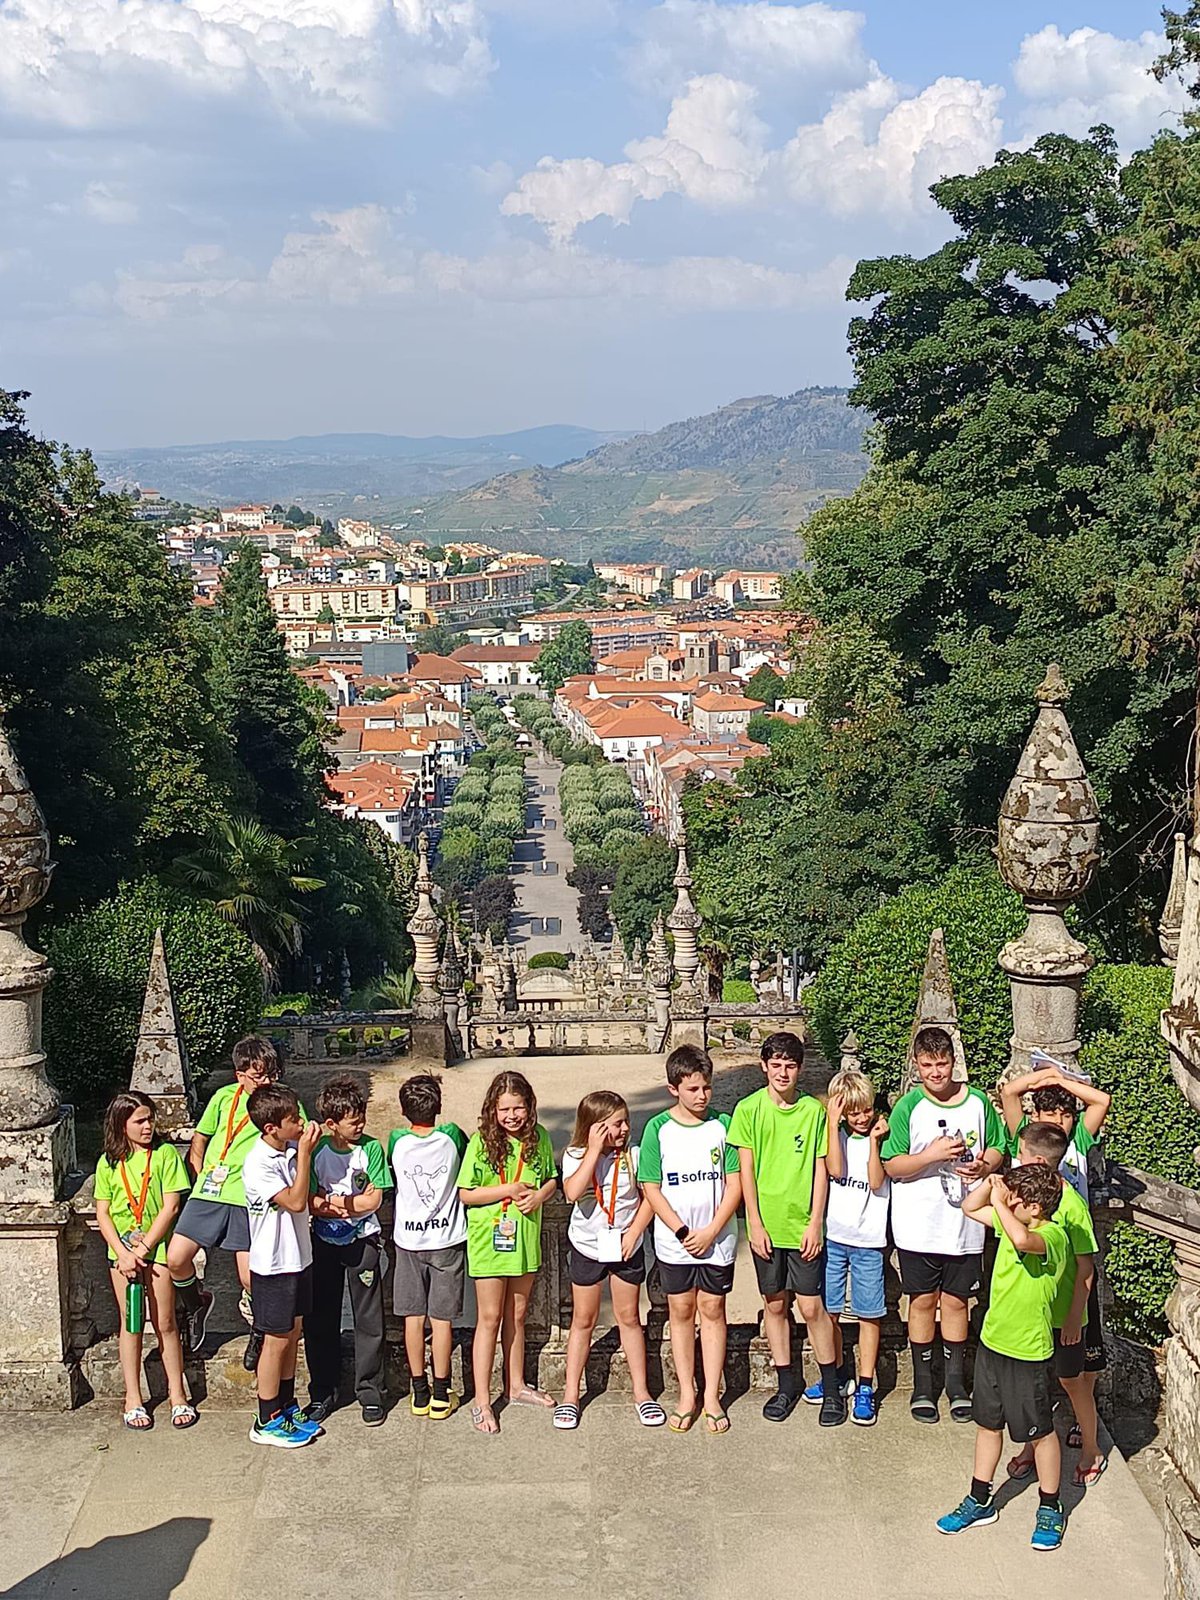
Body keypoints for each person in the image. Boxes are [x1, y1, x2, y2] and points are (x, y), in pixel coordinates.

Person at [936, 1164, 1071, 1553]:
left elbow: (1023, 1239)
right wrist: (991, 1186)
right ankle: (979, 1498)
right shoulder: (1013, 1217)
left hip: (1028, 1352)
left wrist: (1002, 1201)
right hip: (993, 1344)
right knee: (987, 1424)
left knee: (1040, 1431)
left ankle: (1050, 1504)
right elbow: (968, 1207)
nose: (1007, 1204)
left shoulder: (1053, 1236)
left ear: (1033, 1206)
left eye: (1016, 1200)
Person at [882, 1026, 1006, 1422]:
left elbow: (998, 1148)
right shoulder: (908, 1107)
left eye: (942, 1064)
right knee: (921, 1302)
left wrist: (983, 1164)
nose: (936, 1073)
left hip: (965, 1223)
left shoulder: (978, 1103)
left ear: (954, 1063)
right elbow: (892, 1164)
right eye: (928, 1065)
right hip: (918, 1224)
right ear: (917, 1067)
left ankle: (955, 1384)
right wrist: (931, 1155)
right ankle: (923, 1384)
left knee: (956, 1302)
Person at [168, 1037, 304, 1368]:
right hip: (210, 1192)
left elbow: (300, 1143)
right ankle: (197, 1302)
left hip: (250, 1197)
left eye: (271, 1073)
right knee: (176, 1258)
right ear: (239, 1074)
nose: (266, 1081)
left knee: (249, 1278)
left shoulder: (284, 1103)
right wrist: (200, 1172)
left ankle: (260, 1328)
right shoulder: (222, 1098)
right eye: (258, 1075)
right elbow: (200, 1138)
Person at [727, 1031, 842, 1426]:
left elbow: (820, 1171)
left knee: (812, 1307)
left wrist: (815, 1222)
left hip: (802, 1225)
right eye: (775, 1065)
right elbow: (745, 1170)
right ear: (764, 1066)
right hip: (767, 1227)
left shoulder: (813, 1112)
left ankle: (830, 1387)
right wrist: (754, 1223)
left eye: (789, 1066)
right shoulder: (749, 1110)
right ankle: (786, 1383)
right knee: (775, 1304)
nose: (782, 1073)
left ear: (800, 1068)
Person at [639, 1044, 742, 1434]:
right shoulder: (658, 1129)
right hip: (675, 1241)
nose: (702, 1096)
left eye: (707, 1088)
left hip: (717, 1239)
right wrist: (682, 1231)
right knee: (680, 1313)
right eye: (693, 1089)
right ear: (674, 1089)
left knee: (713, 1311)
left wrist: (712, 1230)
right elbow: (651, 1185)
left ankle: (713, 1395)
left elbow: (735, 1184)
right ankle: (687, 1393)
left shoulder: (723, 1126)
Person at [457, 1070, 559, 1434]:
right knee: (489, 1319)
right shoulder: (481, 1142)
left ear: (529, 1107)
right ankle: (482, 1401)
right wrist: (509, 1189)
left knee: (517, 1316)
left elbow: (551, 1178)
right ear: (492, 1110)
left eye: (518, 1108)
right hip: (489, 1239)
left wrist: (540, 1195)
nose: (512, 1116)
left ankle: (515, 1385)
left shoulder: (540, 1138)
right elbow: (466, 1193)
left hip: (525, 1237)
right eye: (504, 1109)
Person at [1006, 1120, 1106, 1487]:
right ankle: (1034, 1445)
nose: (1015, 1160)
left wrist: (1074, 1318)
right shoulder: (1022, 1194)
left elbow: (1085, 1269)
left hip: (1064, 1311)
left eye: (1020, 1155)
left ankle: (1092, 1449)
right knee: (1035, 1381)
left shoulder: (1072, 1207)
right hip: (1033, 1309)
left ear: (1036, 1160)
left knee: (1072, 1380)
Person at [555, 1090, 663, 1431]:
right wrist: (594, 1150)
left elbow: (649, 1196)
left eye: (625, 1121)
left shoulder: (633, 1154)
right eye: (615, 1124)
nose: (624, 1129)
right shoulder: (576, 1154)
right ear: (595, 1127)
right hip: (588, 1245)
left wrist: (634, 1233)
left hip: (625, 1245)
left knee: (629, 1317)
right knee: (583, 1320)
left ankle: (642, 1393)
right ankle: (571, 1394)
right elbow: (572, 1193)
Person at [94, 1091, 196, 1431]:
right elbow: (103, 1213)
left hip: (157, 1252)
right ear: (122, 1125)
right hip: (121, 1257)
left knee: (165, 1322)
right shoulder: (109, 1161)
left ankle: (177, 1394)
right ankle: (133, 1397)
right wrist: (123, 1254)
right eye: (139, 1121)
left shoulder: (165, 1155)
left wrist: (143, 1249)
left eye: (150, 1119)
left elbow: (171, 1206)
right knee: (131, 1323)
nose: (147, 1126)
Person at [302, 1074, 392, 1427]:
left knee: (369, 1319)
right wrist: (328, 1206)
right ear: (331, 1124)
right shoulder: (318, 1152)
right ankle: (322, 1391)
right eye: (353, 1122)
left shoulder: (370, 1149)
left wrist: (337, 1201)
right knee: (320, 1318)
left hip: (362, 1241)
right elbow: (308, 1198)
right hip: (323, 1242)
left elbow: (375, 1197)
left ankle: (371, 1391)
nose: (360, 1126)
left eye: (362, 1119)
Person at [242, 1083, 321, 1449]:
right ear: (271, 1127)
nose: (301, 1125)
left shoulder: (288, 1149)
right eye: (294, 1120)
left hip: (298, 1258)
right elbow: (294, 1200)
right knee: (274, 1341)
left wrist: (302, 1149)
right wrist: (304, 1155)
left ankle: (287, 1405)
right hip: (272, 1265)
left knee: (292, 1334)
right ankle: (266, 1417)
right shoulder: (258, 1162)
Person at [389, 1073, 469, 1422]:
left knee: (412, 1318)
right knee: (442, 1321)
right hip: (447, 1239)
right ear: (438, 1107)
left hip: (408, 1240)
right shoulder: (451, 1137)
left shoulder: (396, 1141)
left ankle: (418, 1390)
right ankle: (441, 1390)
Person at [821, 1066, 891, 1425]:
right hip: (835, 1237)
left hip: (868, 1241)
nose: (862, 1117)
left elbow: (878, 1181)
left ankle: (865, 1384)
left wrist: (875, 1142)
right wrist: (833, 1125)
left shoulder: (880, 1136)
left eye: (866, 1109)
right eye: (853, 1111)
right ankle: (833, 1374)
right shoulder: (835, 1136)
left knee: (869, 1313)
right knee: (829, 1310)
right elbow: (835, 1170)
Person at [999, 1059, 1111, 1203]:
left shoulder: (1078, 1138)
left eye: (1066, 1115)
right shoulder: (1024, 1138)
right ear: (1035, 1115)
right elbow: (1008, 1092)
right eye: (1050, 1114)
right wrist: (1050, 1073)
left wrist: (1060, 1081)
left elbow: (1103, 1101)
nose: (1059, 1121)